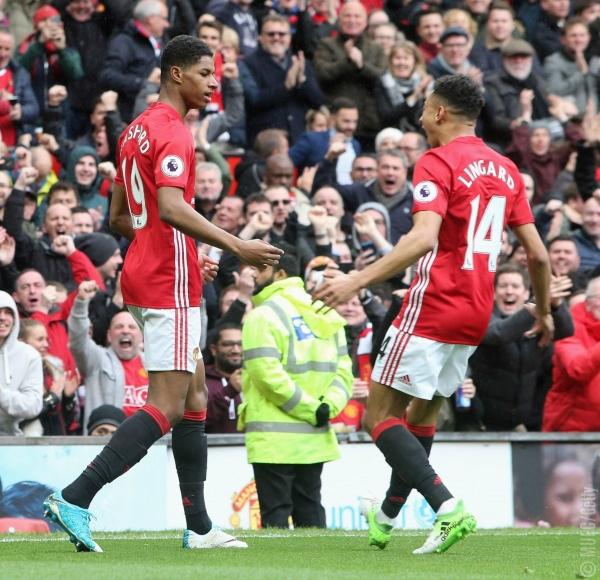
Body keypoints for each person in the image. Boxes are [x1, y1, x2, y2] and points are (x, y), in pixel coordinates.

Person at [43, 35, 282, 553]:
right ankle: (74, 497)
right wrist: (236, 244)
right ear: (176, 74)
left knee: (194, 398)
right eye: (205, 73)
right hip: (166, 284)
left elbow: (120, 217)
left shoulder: (135, 130)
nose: (214, 83)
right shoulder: (173, 132)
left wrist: (182, 250)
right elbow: (171, 207)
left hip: (149, 272)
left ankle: (200, 528)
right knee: (168, 405)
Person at [314, 74, 553, 554]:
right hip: (475, 311)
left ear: (439, 112)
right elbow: (540, 256)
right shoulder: (507, 169)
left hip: (434, 304)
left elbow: (423, 238)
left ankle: (447, 507)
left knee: (378, 416)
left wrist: (355, 281)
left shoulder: (437, 160)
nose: (421, 117)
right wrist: (544, 312)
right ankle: (386, 518)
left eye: (424, 108)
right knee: (421, 416)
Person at [240, 243, 353, 528]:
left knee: (276, 518)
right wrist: (325, 408)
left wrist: (310, 409)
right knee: (311, 512)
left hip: (272, 439)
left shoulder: (262, 316)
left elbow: (267, 376)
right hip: (314, 435)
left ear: (280, 274)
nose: (253, 273)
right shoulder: (326, 314)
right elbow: (344, 373)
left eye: (260, 268)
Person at [0, 291, 43, 436]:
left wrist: (1, 395)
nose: (2, 318)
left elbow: (33, 406)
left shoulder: (29, 356)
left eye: (8, 312)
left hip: (11, 440)